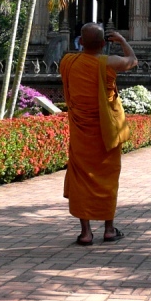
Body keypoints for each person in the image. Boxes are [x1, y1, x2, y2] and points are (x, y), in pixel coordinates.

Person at [60, 24, 138, 245]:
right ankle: (109, 229)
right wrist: (122, 41)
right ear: (104, 44)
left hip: (82, 132)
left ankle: (86, 233)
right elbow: (133, 60)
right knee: (107, 180)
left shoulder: (68, 62)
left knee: (82, 179)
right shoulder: (108, 62)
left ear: (81, 42)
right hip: (107, 132)